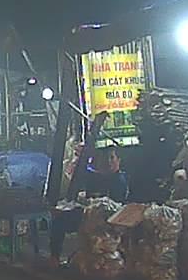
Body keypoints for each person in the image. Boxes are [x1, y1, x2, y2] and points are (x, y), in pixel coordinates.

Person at [48, 113, 129, 267]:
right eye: (105, 158)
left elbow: (116, 208)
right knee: (60, 219)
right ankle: (54, 257)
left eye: (112, 158)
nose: (108, 162)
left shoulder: (119, 180)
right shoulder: (93, 176)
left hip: (110, 221)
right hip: (89, 216)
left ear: (119, 161)